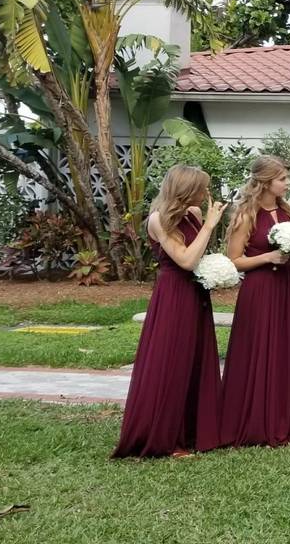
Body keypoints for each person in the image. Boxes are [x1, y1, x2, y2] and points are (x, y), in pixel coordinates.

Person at [113, 165, 226, 458]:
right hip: (173, 294)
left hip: (196, 293)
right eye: (202, 189)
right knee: (172, 360)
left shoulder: (193, 214)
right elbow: (186, 260)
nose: (205, 194)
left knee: (195, 358)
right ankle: (166, 436)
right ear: (186, 190)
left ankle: (193, 431)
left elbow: (199, 253)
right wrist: (211, 226)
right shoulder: (158, 220)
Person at [220, 156, 290, 447]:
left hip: (288, 285)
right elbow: (234, 261)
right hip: (260, 288)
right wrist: (268, 257)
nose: (287, 183)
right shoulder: (246, 215)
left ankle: (288, 417)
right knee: (258, 349)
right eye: (283, 179)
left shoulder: (286, 211)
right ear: (266, 181)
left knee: (286, 348)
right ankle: (256, 418)